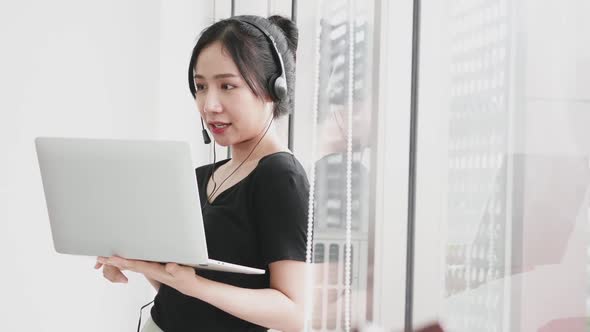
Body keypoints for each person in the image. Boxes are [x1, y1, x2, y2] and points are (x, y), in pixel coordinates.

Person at [93, 15, 310, 332]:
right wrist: (134, 259)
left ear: (273, 89)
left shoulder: (280, 177)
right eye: (200, 87)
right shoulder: (201, 176)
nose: (209, 105)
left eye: (227, 86)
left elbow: (293, 314)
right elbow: (182, 296)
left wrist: (194, 285)